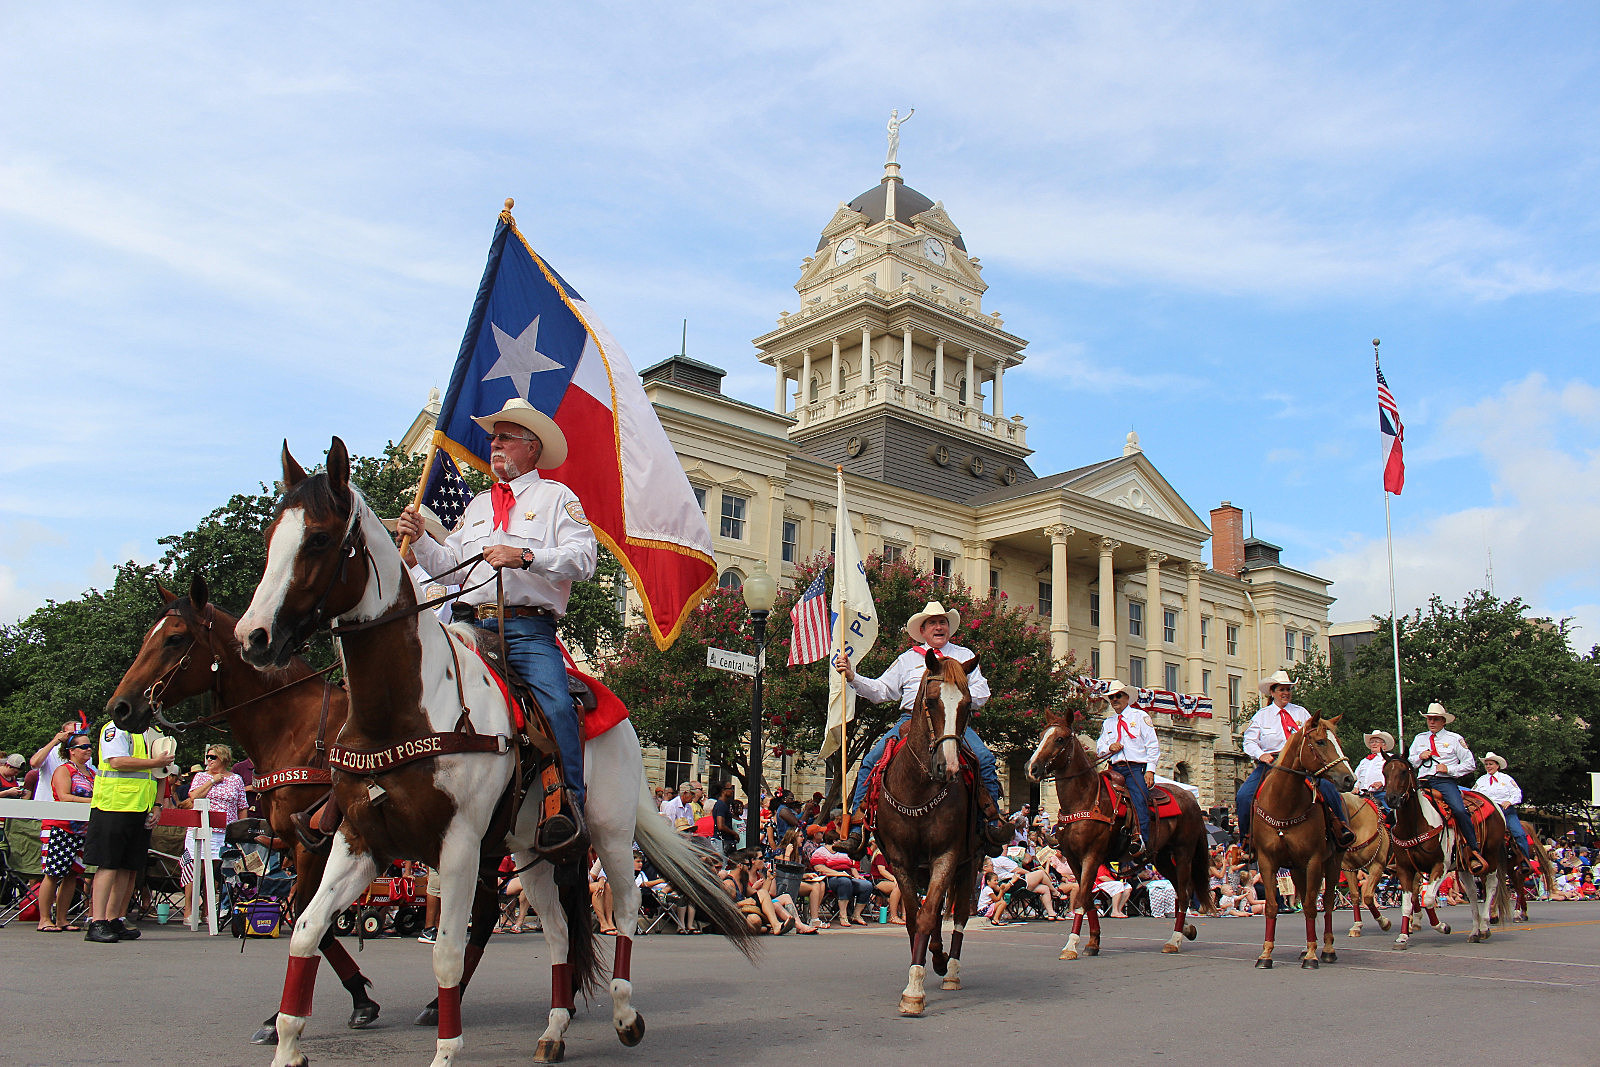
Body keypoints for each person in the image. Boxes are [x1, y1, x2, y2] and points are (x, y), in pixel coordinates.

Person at [399, 397, 597, 851]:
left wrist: (525, 555)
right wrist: (423, 538)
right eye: (494, 437)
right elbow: (451, 569)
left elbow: (584, 560)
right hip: (468, 626)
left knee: (556, 705)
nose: (495, 445)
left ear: (532, 448)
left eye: (506, 437)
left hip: (527, 629)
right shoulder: (477, 505)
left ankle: (566, 807)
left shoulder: (557, 499)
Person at [835, 600, 1009, 854]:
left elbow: (982, 692)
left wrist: (952, 696)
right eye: (933, 623)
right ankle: (857, 828)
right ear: (923, 630)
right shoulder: (907, 660)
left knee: (984, 758)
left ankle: (992, 822)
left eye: (942, 623)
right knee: (872, 761)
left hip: (952, 721)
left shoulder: (964, 656)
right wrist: (853, 676)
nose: (939, 627)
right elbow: (883, 690)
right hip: (911, 721)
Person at [1234, 670, 1355, 857]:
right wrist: (1261, 755)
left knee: (1328, 788)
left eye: (1288, 690)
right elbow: (1249, 741)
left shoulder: (1301, 713)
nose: (1286, 693)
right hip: (1271, 763)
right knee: (1243, 796)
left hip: (1300, 765)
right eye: (1282, 689)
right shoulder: (1262, 715)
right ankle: (1247, 840)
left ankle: (1341, 827)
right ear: (1272, 692)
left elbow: (1314, 736)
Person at [82, 719, 176, 942]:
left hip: (140, 807)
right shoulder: (115, 727)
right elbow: (116, 761)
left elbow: (161, 772)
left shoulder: (153, 733)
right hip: (113, 805)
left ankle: (115, 918)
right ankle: (97, 921)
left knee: (128, 867)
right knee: (108, 864)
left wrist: (158, 805)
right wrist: (155, 761)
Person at [1408, 702, 1487, 875]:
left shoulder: (1454, 739)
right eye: (1429, 719)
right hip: (1422, 782)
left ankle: (1473, 850)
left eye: (1436, 719)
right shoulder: (1419, 738)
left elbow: (1470, 764)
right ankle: (1400, 853)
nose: (1432, 722)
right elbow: (1410, 762)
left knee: (1459, 810)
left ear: (1443, 721)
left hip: (1444, 782)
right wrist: (1419, 757)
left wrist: (1449, 769)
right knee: (1402, 809)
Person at [180, 746, 250, 925]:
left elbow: (242, 806)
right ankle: (189, 908)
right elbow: (194, 796)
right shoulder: (201, 777)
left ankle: (207, 909)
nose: (209, 760)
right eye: (207, 757)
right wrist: (212, 781)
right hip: (201, 829)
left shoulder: (236, 779)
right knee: (194, 869)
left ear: (223, 759)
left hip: (224, 832)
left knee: (214, 872)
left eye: (213, 757)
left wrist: (242, 832)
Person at [36, 731, 95, 932]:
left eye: (89, 746)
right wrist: (93, 801)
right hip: (59, 827)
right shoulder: (64, 770)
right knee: (52, 873)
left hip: (81, 830)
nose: (88, 749)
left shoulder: (92, 773)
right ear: (71, 751)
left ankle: (62, 918)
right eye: (83, 747)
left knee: (72, 875)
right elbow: (64, 796)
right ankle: (44, 919)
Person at [1094, 680, 1159, 858]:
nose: (1114, 699)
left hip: (1134, 768)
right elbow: (1100, 747)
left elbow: (1152, 745)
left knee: (1139, 797)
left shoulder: (1140, 717)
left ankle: (1142, 840)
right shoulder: (1107, 723)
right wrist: (1110, 748)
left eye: (1118, 696)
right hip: (1113, 769)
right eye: (1111, 697)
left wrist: (1150, 770)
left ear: (1127, 697)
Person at [1473, 752, 1530, 863]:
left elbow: (1517, 793)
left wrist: (1510, 801)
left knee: (1519, 833)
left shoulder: (1506, 779)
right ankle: (1475, 857)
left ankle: (1525, 859)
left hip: (1505, 811)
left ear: (1497, 765)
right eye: (1487, 764)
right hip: (1487, 812)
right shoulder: (1480, 781)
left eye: (1491, 764)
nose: (1488, 766)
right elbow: (1474, 794)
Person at [1353, 729, 1393, 818]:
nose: (1373, 744)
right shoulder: (1364, 761)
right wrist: (1355, 787)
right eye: (1371, 742)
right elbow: (1357, 776)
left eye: (1376, 741)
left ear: (1384, 746)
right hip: (1363, 795)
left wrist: (1382, 783)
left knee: (1390, 813)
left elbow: (1394, 774)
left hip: (1381, 793)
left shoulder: (1390, 758)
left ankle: (1391, 828)